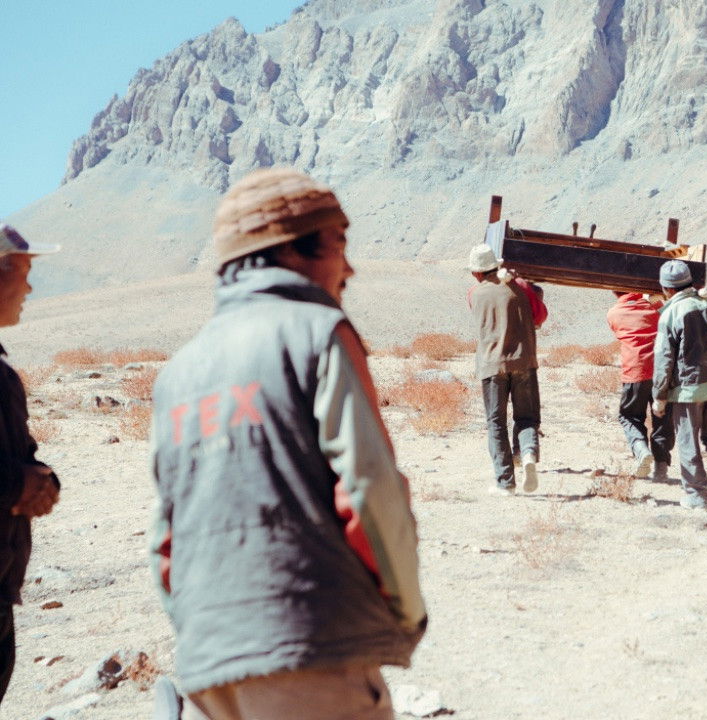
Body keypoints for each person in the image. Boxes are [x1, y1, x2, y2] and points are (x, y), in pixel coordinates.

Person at [149, 168, 427, 720]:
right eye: (339, 246)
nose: (348, 269)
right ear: (291, 252)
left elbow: (167, 539)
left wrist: (204, 638)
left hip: (208, 671)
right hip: (311, 655)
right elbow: (368, 491)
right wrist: (406, 613)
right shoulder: (317, 332)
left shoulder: (176, 374)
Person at [0, 224, 60, 707]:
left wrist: (42, 481)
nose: (30, 288)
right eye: (23, 272)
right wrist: (16, 483)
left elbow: (23, 455)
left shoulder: (3, 376)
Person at [652, 260, 707, 509]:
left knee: (689, 440)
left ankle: (696, 494)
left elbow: (664, 359)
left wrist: (659, 395)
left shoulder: (670, 314)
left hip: (689, 389)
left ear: (666, 289)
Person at [468, 244, 541, 495]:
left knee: (496, 423)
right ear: (496, 265)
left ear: (476, 273)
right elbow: (539, 315)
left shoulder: (474, 293)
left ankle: (505, 482)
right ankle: (529, 454)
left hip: (491, 365)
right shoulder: (520, 287)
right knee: (527, 418)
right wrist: (518, 282)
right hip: (524, 361)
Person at [607, 291, 673, 480]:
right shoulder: (655, 307)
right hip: (662, 371)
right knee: (662, 419)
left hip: (634, 371)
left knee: (629, 416)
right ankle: (661, 468)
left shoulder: (614, 313)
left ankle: (641, 449)